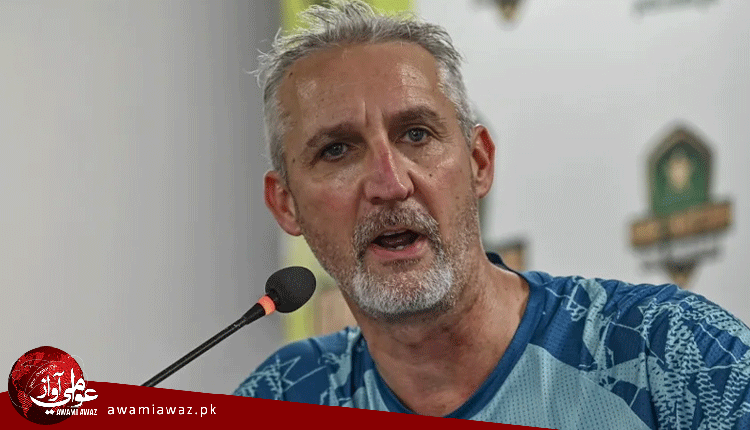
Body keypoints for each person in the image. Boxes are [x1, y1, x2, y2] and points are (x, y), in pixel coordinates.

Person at [234, 1, 750, 428]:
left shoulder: (669, 352)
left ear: (479, 162)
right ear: (286, 204)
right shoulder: (281, 397)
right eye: (337, 150)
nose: (390, 185)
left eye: (416, 134)